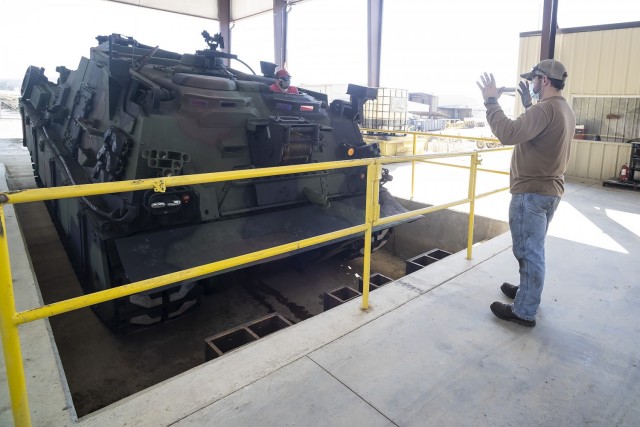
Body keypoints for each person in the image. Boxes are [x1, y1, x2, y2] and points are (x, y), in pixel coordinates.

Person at [476, 59, 576, 327]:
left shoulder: (545, 109)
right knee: (533, 248)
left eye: (533, 79)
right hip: (550, 191)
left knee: (529, 252)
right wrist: (529, 107)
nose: (531, 84)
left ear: (544, 81)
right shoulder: (563, 109)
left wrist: (490, 102)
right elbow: (541, 135)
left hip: (531, 193)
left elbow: (508, 133)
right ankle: (526, 292)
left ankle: (524, 311)